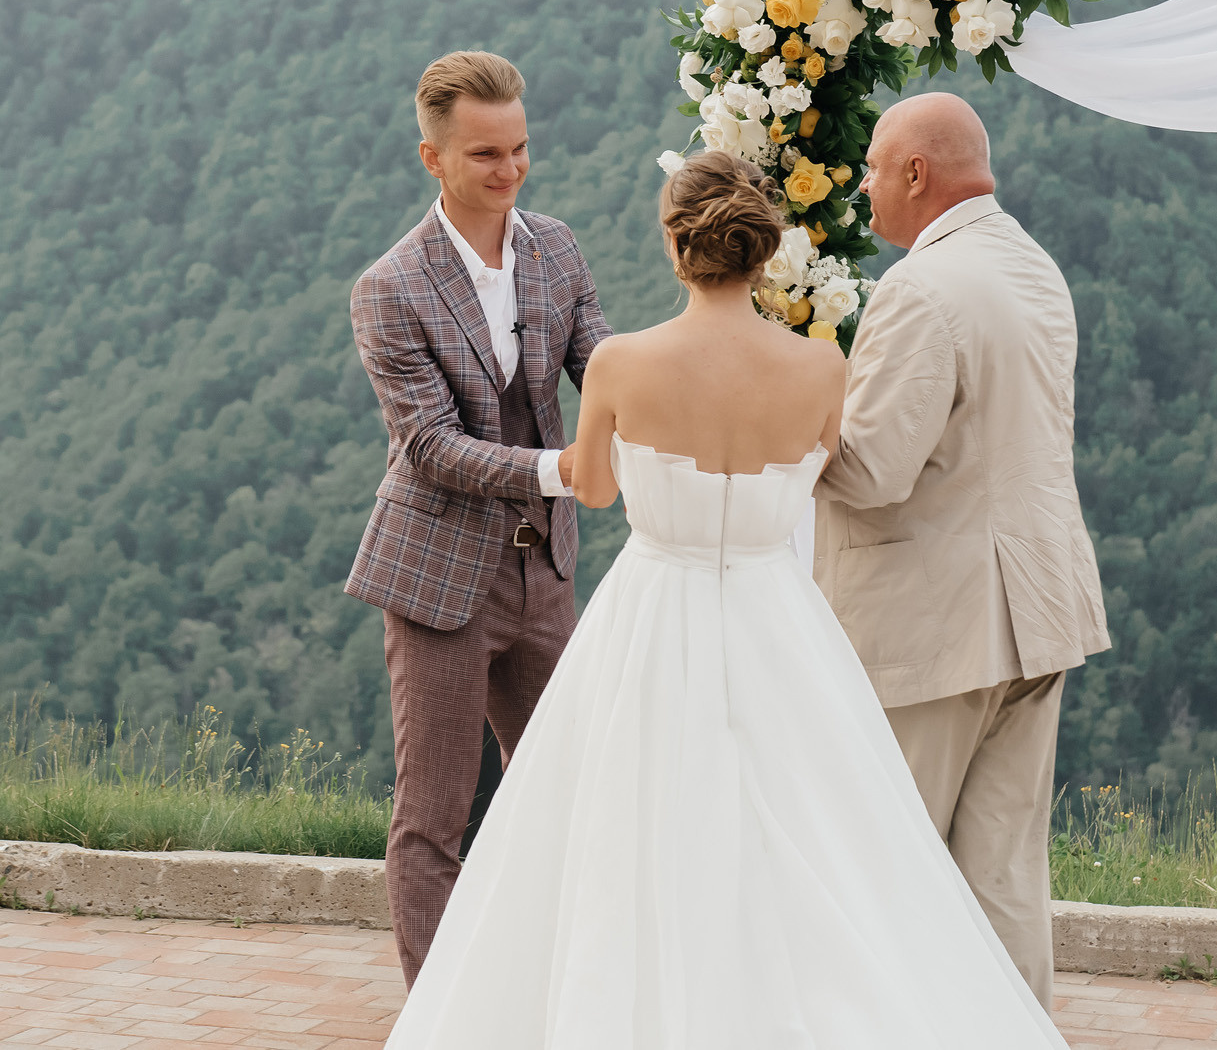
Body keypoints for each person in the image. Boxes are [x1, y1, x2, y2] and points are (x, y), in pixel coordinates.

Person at [384, 149, 1067, 1048]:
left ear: (677, 244)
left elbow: (595, 489)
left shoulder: (622, 363)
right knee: (808, 825)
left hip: (653, 609)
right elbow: (829, 468)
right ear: (764, 250)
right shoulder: (821, 366)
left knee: (629, 821)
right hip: (776, 613)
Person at [813, 91, 1110, 1006]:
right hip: (1039, 607)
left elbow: (873, 469)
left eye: (872, 168)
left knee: (887, 862)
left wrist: (786, 411)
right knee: (1004, 877)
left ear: (916, 172)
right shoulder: (1033, 265)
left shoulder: (918, 289)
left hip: (934, 627)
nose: (863, 187)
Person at [347, 49, 612, 986]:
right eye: (486, 154)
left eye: (520, 148)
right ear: (433, 158)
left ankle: (548, 991)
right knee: (434, 816)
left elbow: (605, 368)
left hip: (546, 570)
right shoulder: (390, 286)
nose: (511, 170)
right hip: (435, 578)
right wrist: (559, 468)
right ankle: (438, 1015)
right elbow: (430, 445)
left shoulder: (557, 248)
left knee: (570, 790)